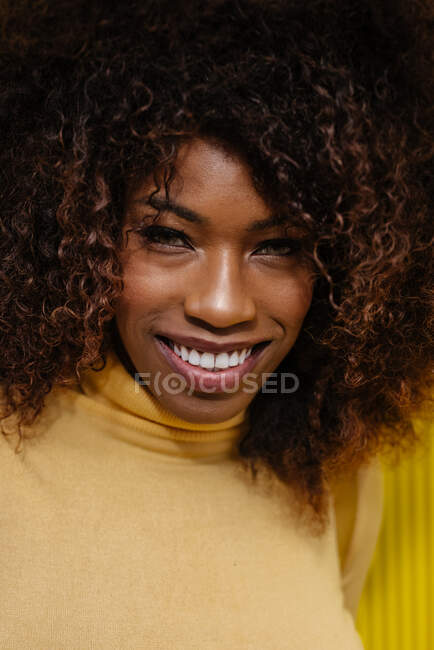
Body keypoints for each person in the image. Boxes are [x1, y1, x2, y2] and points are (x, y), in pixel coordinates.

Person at [0, 0, 431, 648]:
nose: (223, 306)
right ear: (75, 231)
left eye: (279, 245)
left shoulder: (329, 468)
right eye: (169, 236)